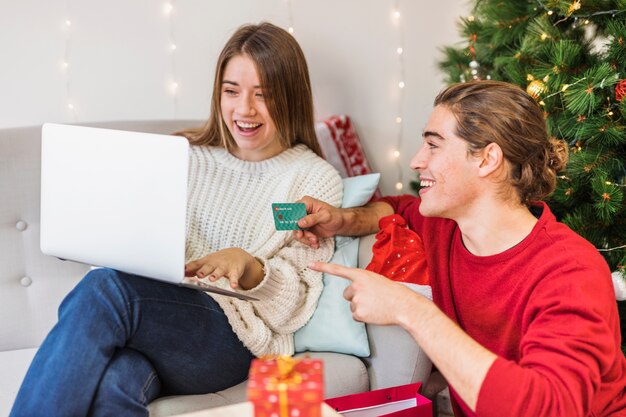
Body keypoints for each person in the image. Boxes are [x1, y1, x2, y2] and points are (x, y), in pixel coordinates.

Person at [10, 22, 342, 417]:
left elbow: (294, 304)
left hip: (230, 339)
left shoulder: (311, 179)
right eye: (231, 91)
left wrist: (251, 267)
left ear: (290, 98)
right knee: (116, 384)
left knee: (104, 290)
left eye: (263, 95)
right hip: (154, 323)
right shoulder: (184, 155)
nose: (244, 109)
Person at [297, 80, 626, 417]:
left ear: (487, 159)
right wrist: (341, 219)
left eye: (433, 145)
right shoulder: (445, 228)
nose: (415, 161)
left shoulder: (571, 272)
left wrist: (408, 309)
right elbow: (396, 209)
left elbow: (548, 407)